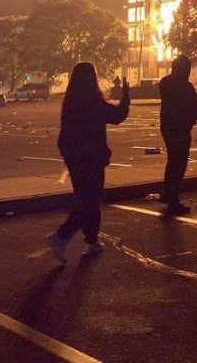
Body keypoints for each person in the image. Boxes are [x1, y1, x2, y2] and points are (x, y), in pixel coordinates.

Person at [47, 62, 130, 264]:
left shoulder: (71, 101)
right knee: (90, 199)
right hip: (90, 155)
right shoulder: (92, 101)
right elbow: (117, 116)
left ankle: (91, 241)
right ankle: (62, 235)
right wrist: (126, 98)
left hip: (74, 153)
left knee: (86, 196)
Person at [158, 54, 197, 217]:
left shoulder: (165, 83)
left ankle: (168, 194)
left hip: (168, 126)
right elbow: (192, 107)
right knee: (179, 163)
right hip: (180, 128)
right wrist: (189, 122)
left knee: (173, 161)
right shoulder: (185, 87)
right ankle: (172, 198)